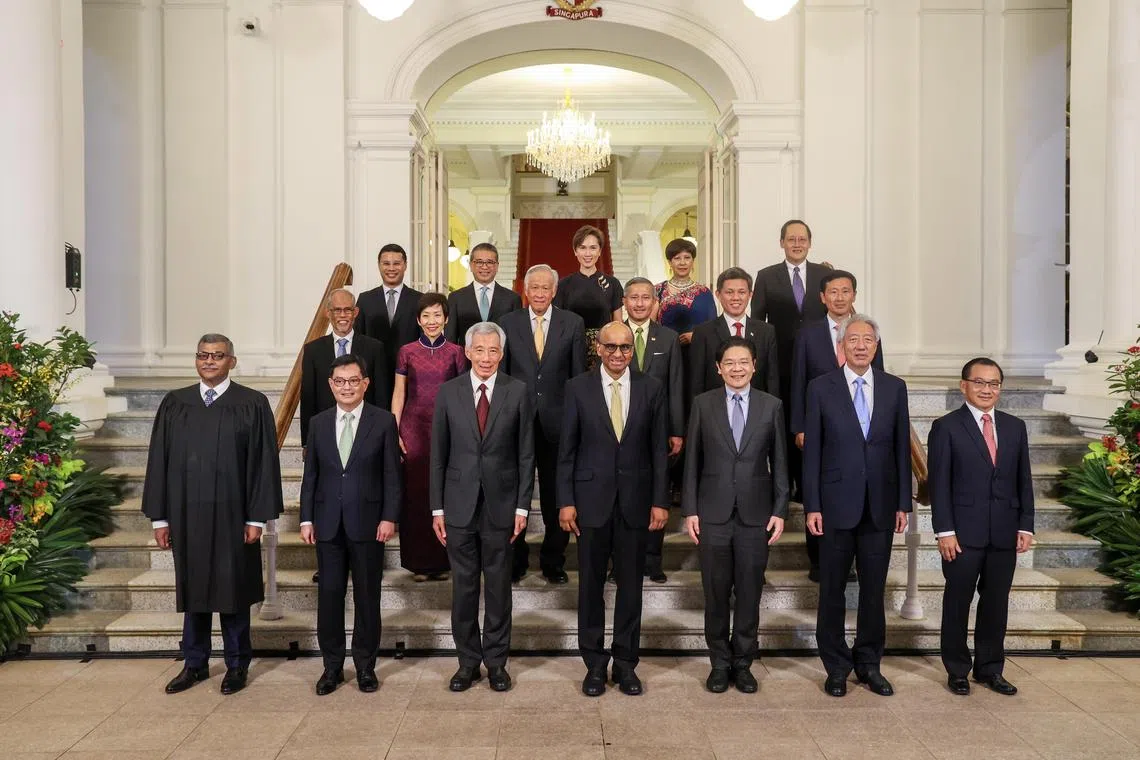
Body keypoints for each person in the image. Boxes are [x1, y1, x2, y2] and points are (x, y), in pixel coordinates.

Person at [143, 334, 283, 695]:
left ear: (231, 362)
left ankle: (237, 664)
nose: (209, 361)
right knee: (195, 590)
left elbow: (263, 465)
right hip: (187, 516)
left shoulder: (251, 404)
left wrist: (256, 519)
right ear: (196, 359)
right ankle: (195, 663)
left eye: (217, 356)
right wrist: (160, 518)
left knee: (232, 589)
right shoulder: (176, 404)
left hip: (234, 518)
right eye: (203, 355)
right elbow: (158, 461)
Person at [558, 322, 669, 698]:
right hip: (590, 503)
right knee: (590, 587)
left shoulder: (652, 388)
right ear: (599, 349)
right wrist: (566, 501)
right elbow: (566, 452)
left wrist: (659, 500)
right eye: (612, 347)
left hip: (636, 503)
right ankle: (593, 665)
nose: (619, 354)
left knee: (630, 589)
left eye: (625, 347)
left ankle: (625, 665)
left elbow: (658, 451)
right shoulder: (577, 388)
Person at [803, 315, 911, 699]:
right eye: (854, 339)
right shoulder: (820, 388)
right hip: (833, 505)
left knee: (873, 589)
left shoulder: (895, 388)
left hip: (881, 506)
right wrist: (811, 504)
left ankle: (868, 663)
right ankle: (836, 665)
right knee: (831, 589)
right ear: (842, 347)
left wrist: (903, 502)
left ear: (876, 347)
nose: (861, 345)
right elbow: (812, 451)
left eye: (868, 339)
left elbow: (901, 448)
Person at [430, 322, 535, 693]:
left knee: (498, 590)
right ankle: (467, 663)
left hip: (502, 507)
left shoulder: (518, 391)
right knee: (464, 589)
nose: (486, 357)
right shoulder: (448, 392)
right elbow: (438, 456)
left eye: (493, 351)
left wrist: (523, 507)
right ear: (468, 352)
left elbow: (526, 454)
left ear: (501, 354)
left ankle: (496, 663)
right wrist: (436, 509)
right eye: (480, 350)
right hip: (458, 507)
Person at [683, 337, 788, 694]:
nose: (737, 368)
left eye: (743, 362)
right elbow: (692, 461)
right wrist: (690, 509)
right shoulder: (703, 404)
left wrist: (780, 510)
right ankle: (718, 662)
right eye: (730, 363)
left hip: (756, 515)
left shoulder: (771, 406)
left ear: (754, 365)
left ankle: (743, 663)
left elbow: (782, 464)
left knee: (748, 592)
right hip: (712, 513)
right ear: (718, 368)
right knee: (714, 592)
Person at [929, 358, 1034, 697]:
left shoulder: (1015, 426)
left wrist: (1026, 525)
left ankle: (990, 669)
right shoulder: (946, 427)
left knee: (996, 602)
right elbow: (939, 484)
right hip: (962, 534)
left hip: (1004, 531)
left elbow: (1024, 480)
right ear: (964, 386)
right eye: (979, 382)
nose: (987, 389)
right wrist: (944, 530)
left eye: (994, 384)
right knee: (957, 602)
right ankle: (958, 670)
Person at [299, 354, 401, 696]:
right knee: (329, 597)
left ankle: (365, 667)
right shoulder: (317, 422)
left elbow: (391, 474)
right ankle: (331, 667)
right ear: (331, 385)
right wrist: (306, 517)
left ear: (365, 383)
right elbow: (311, 475)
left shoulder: (384, 421)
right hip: (327, 525)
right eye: (340, 381)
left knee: (367, 598)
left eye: (353, 381)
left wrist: (389, 516)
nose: (346, 387)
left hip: (369, 524)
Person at [790, 269, 883, 582]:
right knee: (815, 490)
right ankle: (818, 560)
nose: (840, 297)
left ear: (853, 295)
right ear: (822, 297)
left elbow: (878, 380)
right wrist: (800, 425)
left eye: (846, 291)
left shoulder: (867, 332)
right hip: (820, 426)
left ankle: (853, 561)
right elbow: (798, 380)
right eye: (833, 292)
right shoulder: (808, 333)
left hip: (859, 429)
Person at [498, 264, 586, 584]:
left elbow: (577, 379)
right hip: (517, 422)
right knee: (514, 495)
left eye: (545, 288)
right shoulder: (507, 324)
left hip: (558, 423)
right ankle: (516, 560)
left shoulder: (572, 323)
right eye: (533, 287)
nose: (539, 293)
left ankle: (553, 562)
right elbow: (503, 378)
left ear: (554, 291)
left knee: (555, 496)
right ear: (525, 290)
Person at [749, 220, 828, 523]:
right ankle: (788, 482)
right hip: (779, 364)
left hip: (817, 365)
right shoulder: (767, 276)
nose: (797, 244)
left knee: (811, 421)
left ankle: (808, 485)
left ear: (810, 242)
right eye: (791, 239)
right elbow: (756, 321)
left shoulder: (824, 275)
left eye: (802, 239)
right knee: (784, 423)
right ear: (781, 242)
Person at [391, 292, 467, 580]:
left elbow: (462, 393)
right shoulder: (406, 351)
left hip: (448, 427)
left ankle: (444, 560)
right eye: (426, 316)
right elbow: (400, 393)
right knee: (416, 494)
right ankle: (418, 563)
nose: (432, 321)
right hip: (413, 428)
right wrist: (394, 429)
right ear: (418, 320)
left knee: (446, 493)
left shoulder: (457, 352)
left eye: (437, 315)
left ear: (446, 319)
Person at [624, 276, 684, 584]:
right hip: (619, 427)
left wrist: (677, 429)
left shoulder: (669, 337)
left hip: (658, 428)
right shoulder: (615, 335)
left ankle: (652, 560)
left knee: (656, 492)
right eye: (633, 297)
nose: (639, 303)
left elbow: (675, 384)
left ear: (655, 303)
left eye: (645, 298)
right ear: (624, 301)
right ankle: (619, 562)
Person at [300, 288, 391, 445]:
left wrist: (383, 435)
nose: (342, 315)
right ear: (328, 313)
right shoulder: (312, 350)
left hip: (366, 430)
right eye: (337, 310)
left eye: (347, 310)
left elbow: (382, 396)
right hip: (325, 432)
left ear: (355, 312)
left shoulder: (374, 348)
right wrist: (307, 442)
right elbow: (308, 399)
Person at [689, 267, 779, 398]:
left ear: (750, 295)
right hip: (715, 410)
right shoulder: (703, 333)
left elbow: (772, 380)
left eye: (742, 292)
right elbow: (696, 383)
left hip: (757, 412)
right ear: (718, 295)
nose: (736, 297)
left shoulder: (766, 331)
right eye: (729, 292)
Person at [553, 224, 623, 371]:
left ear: (600, 251)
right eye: (582, 247)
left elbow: (618, 323)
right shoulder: (564, 284)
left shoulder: (612, 283)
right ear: (575, 251)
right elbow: (558, 323)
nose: (587, 253)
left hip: (604, 349)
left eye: (593, 248)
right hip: (571, 347)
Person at [355, 243, 424, 392]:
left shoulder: (419, 300)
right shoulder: (365, 300)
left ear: (405, 265)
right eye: (386, 263)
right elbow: (358, 339)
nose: (391, 268)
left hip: (410, 376)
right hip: (372, 376)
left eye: (397, 263)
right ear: (379, 265)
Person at [444, 242, 523, 344]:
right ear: (471, 265)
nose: (484, 267)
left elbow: (516, 339)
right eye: (479, 262)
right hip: (466, 359)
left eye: (490, 262)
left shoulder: (512, 299)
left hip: (501, 359)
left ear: (497, 266)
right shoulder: (456, 298)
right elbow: (450, 338)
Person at [653, 237, 718, 347]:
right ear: (670, 262)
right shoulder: (657, 290)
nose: (682, 263)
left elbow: (713, 327)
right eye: (677, 258)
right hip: (665, 350)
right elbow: (650, 326)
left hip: (697, 352)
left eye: (687, 258)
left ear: (693, 261)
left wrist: (696, 336)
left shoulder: (704, 292)